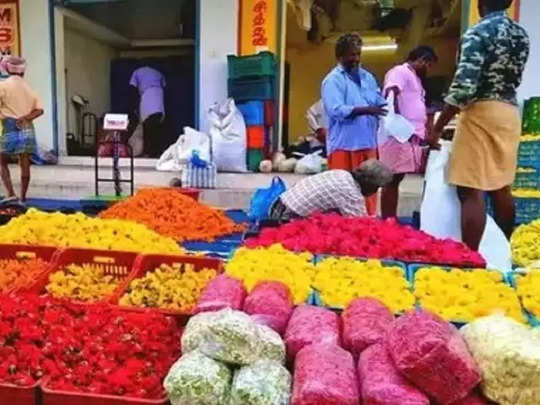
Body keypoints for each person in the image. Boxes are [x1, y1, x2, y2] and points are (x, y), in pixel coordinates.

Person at [429, 0, 529, 251]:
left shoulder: (478, 32)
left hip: (481, 113)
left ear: (481, 3)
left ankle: (469, 257)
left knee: (470, 189)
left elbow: (464, 87)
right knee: (501, 185)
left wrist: (438, 127)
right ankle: (505, 250)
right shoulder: (520, 34)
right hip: (508, 112)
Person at [321, 33, 387, 215]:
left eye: (358, 54)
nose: (356, 59)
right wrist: (366, 110)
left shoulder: (367, 77)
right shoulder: (332, 81)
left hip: (368, 144)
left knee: (369, 194)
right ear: (340, 56)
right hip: (344, 146)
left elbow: (377, 100)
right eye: (351, 55)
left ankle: (368, 227)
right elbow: (336, 110)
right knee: (342, 194)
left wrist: (389, 109)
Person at [380, 46, 438, 218]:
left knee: (398, 179)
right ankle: (388, 220)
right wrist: (397, 119)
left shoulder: (415, 78)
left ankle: (391, 218)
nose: (429, 69)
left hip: (408, 136)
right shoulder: (400, 71)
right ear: (421, 60)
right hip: (398, 135)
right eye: (428, 65)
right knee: (392, 179)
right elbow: (392, 92)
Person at [269, 159, 393, 222]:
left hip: (278, 206)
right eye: (376, 187)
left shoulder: (341, 174)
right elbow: (360, 224)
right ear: (368, 182)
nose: (375, 191)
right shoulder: (351, 193)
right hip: (285, 219)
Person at [0, 57, 43, 203]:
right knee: (25, 160)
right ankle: (23, 197)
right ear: (23, 72)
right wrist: (26, 118)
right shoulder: (29, 88)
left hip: (9, 125)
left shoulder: (3, 86)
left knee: (1, 160)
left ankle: (11, 193)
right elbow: (40, 110)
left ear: (7, 69)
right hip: (27, 125)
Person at [129, 65, 166, 158]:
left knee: (148, 128)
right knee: (157, 126)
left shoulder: (136, 72)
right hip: (159, 96)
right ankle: (158, 151)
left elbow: (132, 89)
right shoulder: (158, 72)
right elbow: (165, 85)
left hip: (147, 96)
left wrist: (134, 106)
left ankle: (150, 152)